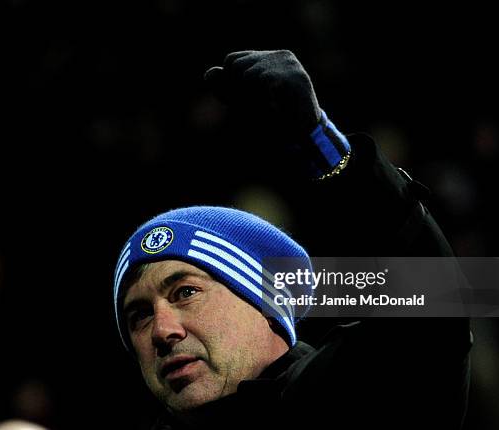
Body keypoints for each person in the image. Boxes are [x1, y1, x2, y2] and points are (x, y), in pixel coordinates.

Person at [112, 50, 472, 429]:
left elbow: (437, 302)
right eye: (139, 315)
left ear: (266, 301)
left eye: (185, 292)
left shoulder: (356, 397)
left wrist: (323, 147)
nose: (162, 331)